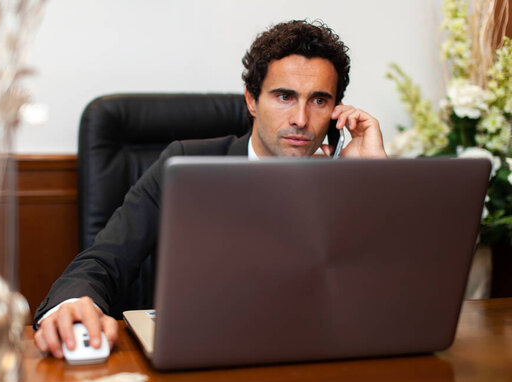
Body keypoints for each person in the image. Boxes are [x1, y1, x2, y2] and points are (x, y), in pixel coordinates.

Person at [34, 19, 387, 358]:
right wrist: (75, 303)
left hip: (316, 360)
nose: (300, 119)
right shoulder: (182, 164)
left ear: (336, 111)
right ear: (251, 99)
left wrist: (370, 183)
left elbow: (388, 293)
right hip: (200, 364)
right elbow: (104, 259)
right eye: (284, 96)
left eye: (319, 100)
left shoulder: (344, 182)